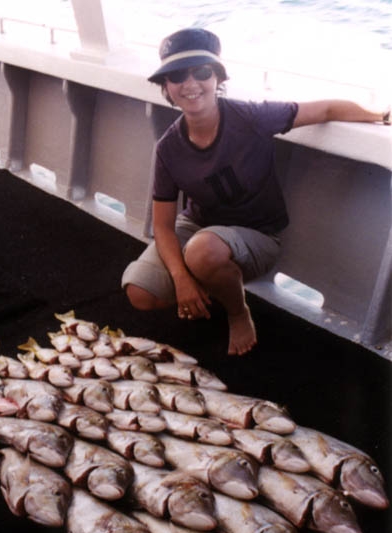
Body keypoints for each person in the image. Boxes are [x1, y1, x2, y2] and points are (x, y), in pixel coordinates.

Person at [121, 28, 390, 355]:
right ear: (166, 86)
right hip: (198, 227)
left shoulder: (251, 117)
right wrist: (181, 279)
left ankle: (238, 311)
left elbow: (326, 110)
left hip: (258, 235)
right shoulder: (168, 148)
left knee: (202, 252)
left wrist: (381, 115)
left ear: (218, 77)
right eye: (177, 76)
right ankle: (211, 280)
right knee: (140, 292)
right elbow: (163, 226)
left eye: (202, 72)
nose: (190, 84)